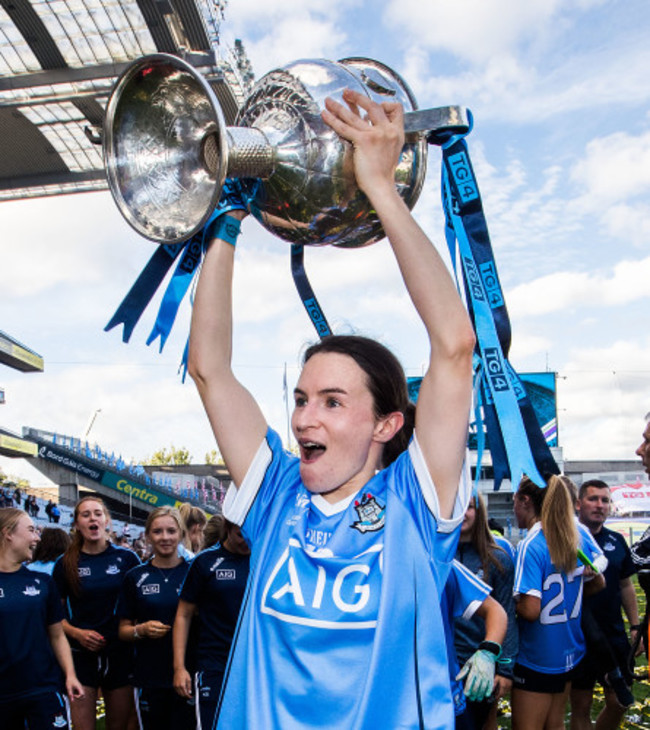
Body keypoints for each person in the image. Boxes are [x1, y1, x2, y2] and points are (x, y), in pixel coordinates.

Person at [186, 88, 475, 729]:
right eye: (300, 399)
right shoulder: (276, 494)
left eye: (332, 402)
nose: (303, 418)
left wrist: (380, 187)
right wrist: (226, 220)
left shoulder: (415, 506)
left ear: (387, 424)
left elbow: (455, 347)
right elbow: (209, 370)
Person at [511, 475, 607, 730]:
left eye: (514, 501)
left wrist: (507, 605)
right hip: (569, 651)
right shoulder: (574, 534)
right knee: (555, 724)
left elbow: (530, 610)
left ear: (524, 500)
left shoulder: (531, 544)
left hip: (538, 656)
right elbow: (599, 581)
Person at [52, 495, 141, 730]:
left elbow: (138, 606)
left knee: (118, 726)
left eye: (98, 514)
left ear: (107, 521)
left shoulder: (127, 558)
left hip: (119, 654)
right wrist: (77, 633)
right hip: (80, 655)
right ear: (77, 524)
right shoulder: (65, 563)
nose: (93, 518)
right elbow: (54, 617)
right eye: (86, 514)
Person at [0, 508, 84, 729]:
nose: (37, 537)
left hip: (43, 688)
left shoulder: (43, 582)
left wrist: (70, 674)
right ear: (8, 533)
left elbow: (57, 635)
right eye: (31, 530)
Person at [570, 479, 641, 728]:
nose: (599, 505)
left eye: (605, 500)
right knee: (581, 705)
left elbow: (626, 585)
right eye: (593, 499)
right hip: (580, 635)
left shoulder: (616, 541)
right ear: (578, 504)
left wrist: (635, 627)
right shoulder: (568, 541)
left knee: (619, 701)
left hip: (614, 635)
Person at [117, 507, 194, 730]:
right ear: (148, 535)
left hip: (189, 673)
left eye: (171, 531)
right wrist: (140, 630)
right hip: (149, 676)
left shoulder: (194, 572)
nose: (165, 537)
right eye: (158, 531)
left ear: (181, 533)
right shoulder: (135, 577)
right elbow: (122, 630)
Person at [173, 517, 251, 730]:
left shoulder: (263, 558)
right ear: (228, 529)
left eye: (250, 533)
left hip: (253, 664)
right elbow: (183, 614)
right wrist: (179, 667)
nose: (246, 540)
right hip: (214, 663)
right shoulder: (205, 562)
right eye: (240, 534)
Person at [455, 496, 518, 729]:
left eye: (468, 507)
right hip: (443, 662)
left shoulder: (497, 558)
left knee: (482, 722)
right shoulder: (435, 555)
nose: (462, 513)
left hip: (480, 662)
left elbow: (507, 616)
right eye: (455, 507)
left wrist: (505, 668)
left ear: (479, 512)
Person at [442, 560, 507, 729]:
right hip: (388, 692)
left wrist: (488, 652)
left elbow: (496, 610)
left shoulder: (438, 562)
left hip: (446, 690)